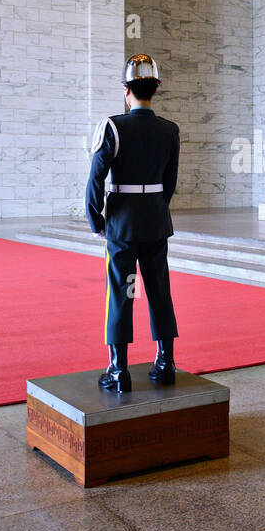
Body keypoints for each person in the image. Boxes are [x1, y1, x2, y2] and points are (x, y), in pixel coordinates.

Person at [85, 55, 181, 393]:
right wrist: (155, 208)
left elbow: (96, 180)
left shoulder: (113, 127)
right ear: (156, 88)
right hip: (155, 223)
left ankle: (118, 370)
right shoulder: (170, 130)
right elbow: (169, 182)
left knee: (121, 293)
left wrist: (96, 219)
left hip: (122, 226)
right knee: (159, 291)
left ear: (127, 91)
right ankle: (165, 361)